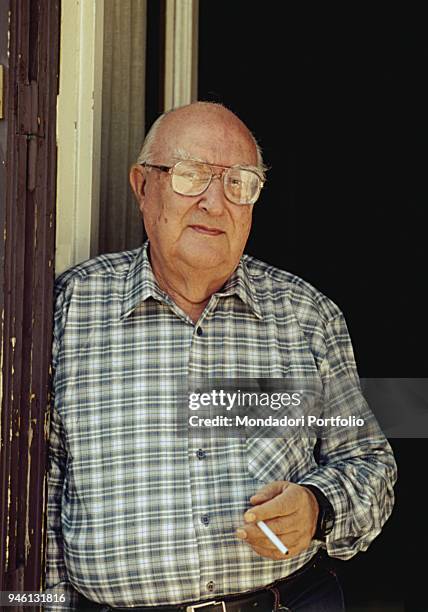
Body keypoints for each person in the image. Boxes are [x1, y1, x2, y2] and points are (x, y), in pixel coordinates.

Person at [46, 101, 397, 611]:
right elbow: (37, 489)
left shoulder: (307, 317)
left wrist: (318, 507)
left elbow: (369, 464)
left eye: (239, 183)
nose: (216, 202)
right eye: (190, 175)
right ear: (143, 186)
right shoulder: (69, 310)